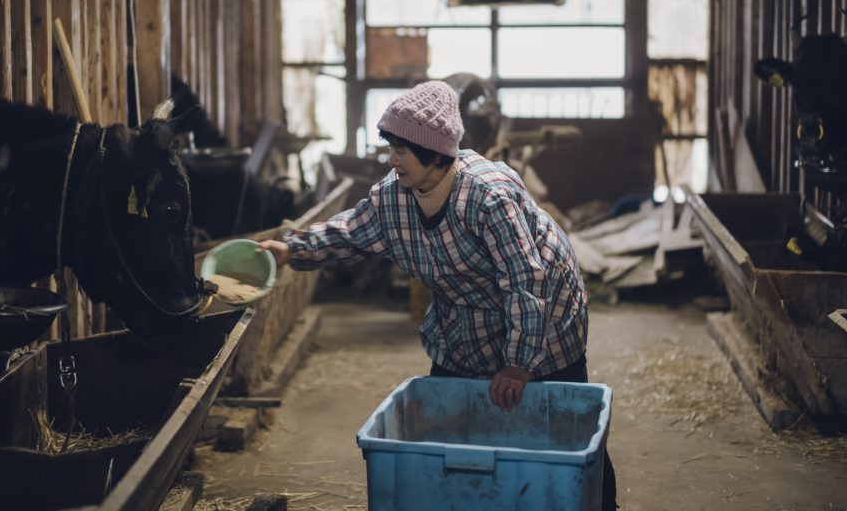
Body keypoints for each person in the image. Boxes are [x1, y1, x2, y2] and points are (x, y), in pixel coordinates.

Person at [259, 80, 617, 510]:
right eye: (390, 148)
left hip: (544, 309)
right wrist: (291, 249)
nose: (392, 161)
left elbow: (525, 279)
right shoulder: (394, 197)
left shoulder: (489, 196)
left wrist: (520, 362)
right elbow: (353, 232)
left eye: (401, 151)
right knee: (448, 415)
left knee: (562, 418)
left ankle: (600, 502)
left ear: (434, 152)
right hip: (465, 314)